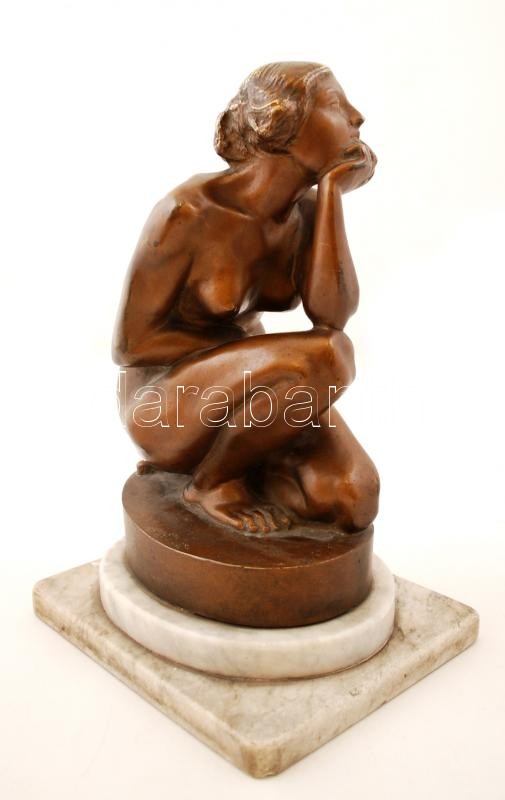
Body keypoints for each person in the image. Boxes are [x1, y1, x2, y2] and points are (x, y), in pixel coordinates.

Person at [113, 61, 380, 534]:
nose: (356, 117)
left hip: (256, 396)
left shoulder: (306, 214)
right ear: (283, 125)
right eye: (335, 105)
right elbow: (132, 345)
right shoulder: (189, 211)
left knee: (354, 496)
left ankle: (247, 462)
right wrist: (254, 355)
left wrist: (331, 196)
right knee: (330, 357)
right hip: (166, 404)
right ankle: (213, 483)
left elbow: (332, 316)